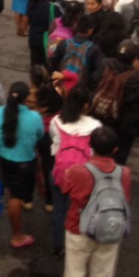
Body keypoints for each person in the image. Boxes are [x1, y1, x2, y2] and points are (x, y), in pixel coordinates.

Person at [62, 127, 131, 277]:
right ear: (115, 149)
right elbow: (126, 198)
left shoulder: (78, 171)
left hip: (78, 228)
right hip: (110, 228)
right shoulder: (125, 173)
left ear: (90, 145)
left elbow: (65, 189)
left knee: (74, 275)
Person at [0, 81, 45, 249]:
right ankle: (17, 236)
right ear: (26, 98)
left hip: (0, 158)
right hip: (22, 162)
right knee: (15, 198)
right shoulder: (34, 117)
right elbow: (39, 135)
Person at [49, 85, 102, 258]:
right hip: (83, 175)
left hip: (60, 172)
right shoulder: (95, 126)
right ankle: (75, 243)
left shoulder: (56, 121)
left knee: (59, 209)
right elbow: (94, 152)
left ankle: (57, 246)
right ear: (86, 105)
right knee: (78, 210)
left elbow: (55, 144)